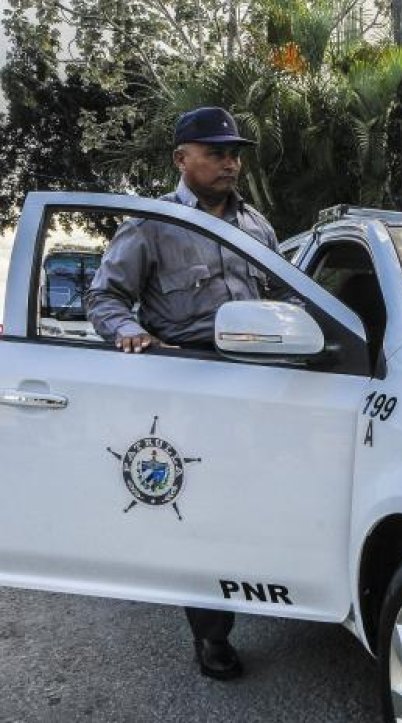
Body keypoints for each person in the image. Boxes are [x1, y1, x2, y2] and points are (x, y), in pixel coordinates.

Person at [87, 106, 281, 680]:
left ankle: (280, 590)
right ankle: (212, 635)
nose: (230, 161)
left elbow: (284, 298)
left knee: (260, 502)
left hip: (261, 385)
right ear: (181, 159)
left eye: (234, 152)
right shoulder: (151, 224)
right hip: (189, 386)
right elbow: (104, 299)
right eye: (216, 151)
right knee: (204, 512)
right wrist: (132, 333)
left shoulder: (258, 227)